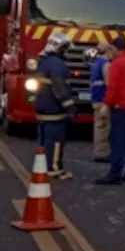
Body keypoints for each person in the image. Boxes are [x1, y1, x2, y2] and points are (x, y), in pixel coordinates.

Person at [95, 37, 125, 185]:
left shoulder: (117, 64)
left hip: (120, 109)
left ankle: (114, 174)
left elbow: (113, 87)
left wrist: (106, 104)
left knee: (117, 142)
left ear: (115, 48)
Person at [35, 32, 78, 180]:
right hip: (54, 110)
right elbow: (60, 88)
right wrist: (70, 107)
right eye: (65, 48)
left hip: (43, 107)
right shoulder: (57, 65)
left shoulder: (44, 61)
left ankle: (41, 167)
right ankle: (54, 170)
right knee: (56, 142)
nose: (66, 52)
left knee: (44, 141)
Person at [90, 42, 115, 162]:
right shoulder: (106, 65)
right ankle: (101, 153)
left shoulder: (95, 63)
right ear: (107, 51)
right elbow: (109, 84)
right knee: (104, 127)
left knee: (99, 126)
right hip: (103, 100)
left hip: (96, 98)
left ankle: (98, 151)